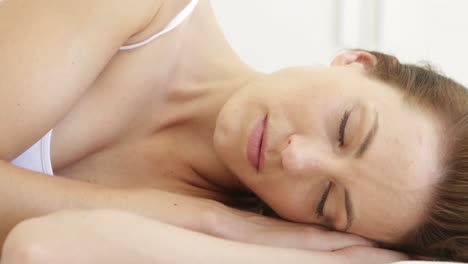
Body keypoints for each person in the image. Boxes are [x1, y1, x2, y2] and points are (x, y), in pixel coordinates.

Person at [0, 0, 466, 263]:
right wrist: (206, 221)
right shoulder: (145, 8)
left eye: (326, 201)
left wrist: (219, 231)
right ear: (359, 62)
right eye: (344, 128)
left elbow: (41, 251)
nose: (297, 157)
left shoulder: (210, 249)